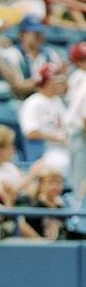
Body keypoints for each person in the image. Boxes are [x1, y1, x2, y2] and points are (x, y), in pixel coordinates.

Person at [19, 62, 69, 172]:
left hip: (64, 148)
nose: (62, 84)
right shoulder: (33, 102)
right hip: (46, 152)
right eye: (58, 81)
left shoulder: (58, 101)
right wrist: (58, 138)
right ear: (48, 83)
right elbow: (31, 133)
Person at [3, 15, 62, 98]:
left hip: (48, 99)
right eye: (35, 34)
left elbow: (61, 83)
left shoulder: (50, 53)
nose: (39, 37)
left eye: (41, 33)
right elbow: (18, 88)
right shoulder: (13, 54)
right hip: (23, 100)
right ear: (22, 35)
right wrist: (42, 80)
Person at [65, 42, 86, 195]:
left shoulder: (77, 76)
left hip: (74, 133)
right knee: (79, 180)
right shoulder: (80, 77)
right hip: (81, 134)